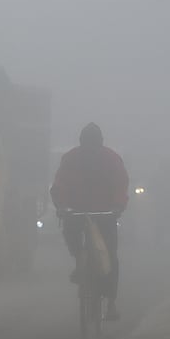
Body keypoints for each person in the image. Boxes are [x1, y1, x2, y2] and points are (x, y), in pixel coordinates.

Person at [50, 122, 129, 321]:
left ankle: (110, 302)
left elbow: (121, 185)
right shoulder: (70, 160)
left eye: (94, 145)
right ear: (81, 144)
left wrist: (117, 207)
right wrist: (61, 206)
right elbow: (59, 185)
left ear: (101, 144)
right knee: (71, 235)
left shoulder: (112, 160)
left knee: (110, 256)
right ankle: (80, 261)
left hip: (105, 214)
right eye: (87, 145)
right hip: (77, 212)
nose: (91, 149)